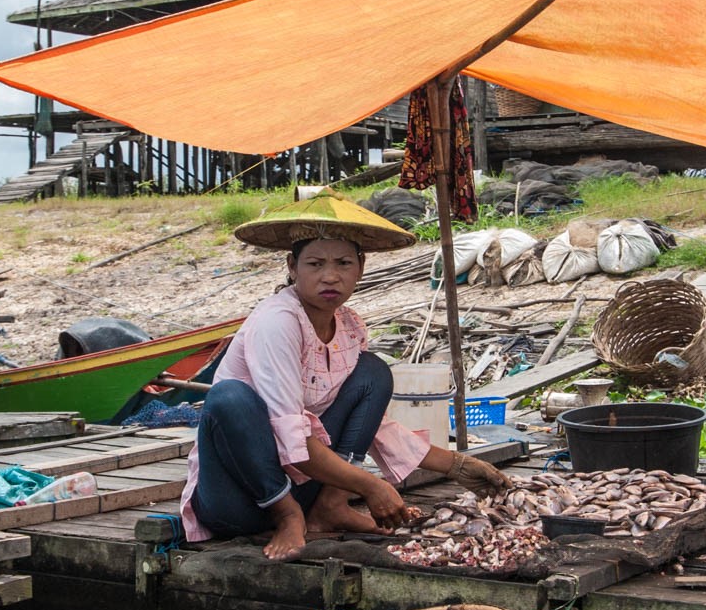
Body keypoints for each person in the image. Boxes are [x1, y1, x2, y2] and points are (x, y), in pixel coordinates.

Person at [178, 191, 511, 560]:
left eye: (343, 263)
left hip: (301, 483)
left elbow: (373, 426)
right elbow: (292, 440)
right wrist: (371, 486)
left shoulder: (350, 327)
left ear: (361, 267)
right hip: (238, 497)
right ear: (292, 267)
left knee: (373, 373)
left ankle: (329, 507)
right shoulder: (277, 322)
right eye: (315, 264)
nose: (330, 276)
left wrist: (457, 465)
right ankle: (288, 517)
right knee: (229, 399)